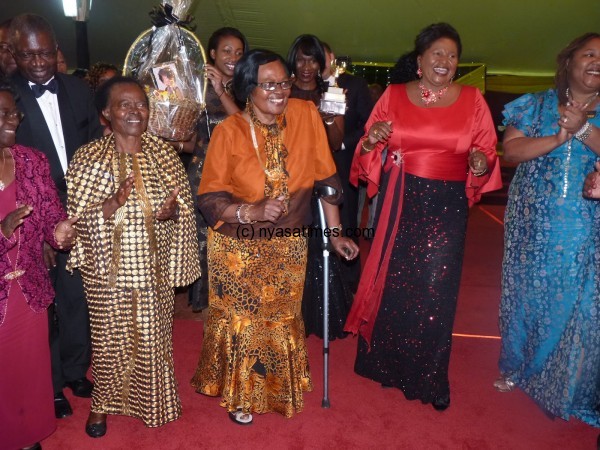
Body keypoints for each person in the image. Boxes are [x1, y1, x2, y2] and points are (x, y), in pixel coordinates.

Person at [190, 49, 359, 425]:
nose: (280, 90)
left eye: (283, 82)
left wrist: (335, 235)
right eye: (269, 84)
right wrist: (249, 210)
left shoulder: (305, 115)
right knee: (245, 320)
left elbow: (326, 182)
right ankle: (242, 394)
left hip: (288, 244)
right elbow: (210, 199)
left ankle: (276, 384)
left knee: (280, 317)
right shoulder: (228, 132)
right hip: (237, 245)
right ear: (248, 88)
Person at [344, 23, 502, 411]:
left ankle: (429, 376)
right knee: (394, 281)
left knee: (436, 290)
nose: (444, 62)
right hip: (401, 198)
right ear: (419, 61)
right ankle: (384, 364)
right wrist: (371, 140)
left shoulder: (473, 99)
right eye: (437, 54)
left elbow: (485, 149)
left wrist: (480, 163)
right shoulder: (394, 96)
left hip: (446, 204)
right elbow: (367, 147)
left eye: (451, 56)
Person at [66, 76, 201, 437]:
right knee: (109, 342)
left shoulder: (164, 155)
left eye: (141, 103)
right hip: (105, 273)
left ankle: (154, 402)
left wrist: (172, 214)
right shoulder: (88, 157)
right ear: (106, 113)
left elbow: (185, 209)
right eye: (124, 104)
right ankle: (101, 407)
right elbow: (75, 221)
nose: (135, 111)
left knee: (153, 339)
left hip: (152, 270)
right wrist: (112, 204)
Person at [498, 32, 600, 427]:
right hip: (533, 223)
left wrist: (582, 129)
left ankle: (567, 384)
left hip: (587, 226)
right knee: (526, 296)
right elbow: (512, 150)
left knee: (580, 307)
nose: (596, 62)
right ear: (569, 60)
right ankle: (518, 367)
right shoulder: (537, 102)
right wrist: (558, 135)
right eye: (589, 53)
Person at [9, 13, 102, 419]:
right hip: (30, 218)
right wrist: (37, 233)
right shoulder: (5, 99)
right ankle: (50, 386)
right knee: (42, 305)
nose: (39, 62)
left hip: (79, 211)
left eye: (46, 52)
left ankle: (76, 370)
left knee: (77, 296)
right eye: (29, 55)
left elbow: (96, 146)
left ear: (56, 50)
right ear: (14, 55)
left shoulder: (79, 90)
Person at [0, 80, 77, 450]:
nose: (12, 119)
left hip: (28, 289)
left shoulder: (32, 160)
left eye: (13, 112)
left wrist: (60, 232)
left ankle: (28, 434)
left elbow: (50, 215)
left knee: (29, 368)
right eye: (2, 114)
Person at [286, 34, 354, 340]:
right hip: (286, 180)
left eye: (313, 59)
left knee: (318, 249)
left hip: (320, 180)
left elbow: (337, 143)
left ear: (322, 63)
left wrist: (327, 121)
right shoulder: (280, 90)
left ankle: (314, 317)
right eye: (301, 58)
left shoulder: (332, 92)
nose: (306, 66)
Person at [187, 27, 247, 312]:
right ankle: (205, 298)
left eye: (238, 52)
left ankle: (231, 295)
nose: (233, 57)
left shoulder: (247, 87)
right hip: (202, 170)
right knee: (201, 237)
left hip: (237, 174)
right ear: (212, 53)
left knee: (230, 233)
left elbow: (246, 127)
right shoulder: (197, 85)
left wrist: (223, 92)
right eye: (226, 50)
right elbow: (188, 136)